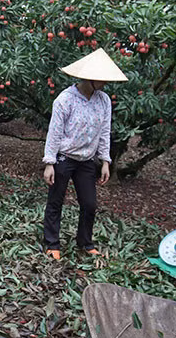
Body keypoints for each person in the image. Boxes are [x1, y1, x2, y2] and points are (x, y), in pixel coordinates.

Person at [41, 48, 128, 260]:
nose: (105, 84)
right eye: (101, 79)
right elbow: (55, 132)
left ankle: (85, 242)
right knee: (56, 201)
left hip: (87, 160)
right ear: (89, 78)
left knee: (90, 204)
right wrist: (49, 162)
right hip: (64, 158)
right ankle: (51, 243)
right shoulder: (65, 100)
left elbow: (105, 131)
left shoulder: (104, 100)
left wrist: (105, 161)